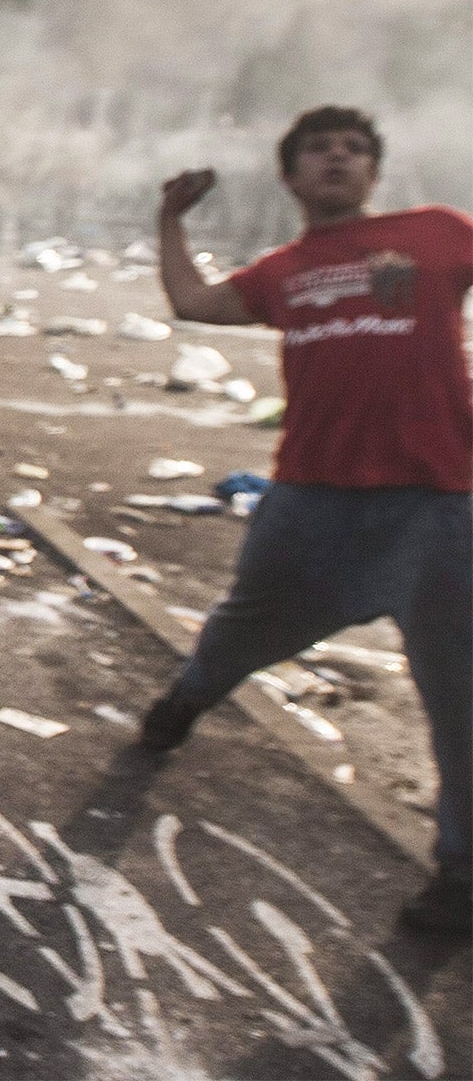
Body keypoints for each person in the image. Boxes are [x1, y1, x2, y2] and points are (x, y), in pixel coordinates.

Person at [142, 105, 471, 938]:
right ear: (290, 176)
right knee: (243, 630)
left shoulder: (437, 233)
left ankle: (460, 876)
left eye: (353, 149)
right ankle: (187, 699)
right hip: (313, 500)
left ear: (372, 172)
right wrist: (170, 219)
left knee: (460, 696)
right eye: (318, 149)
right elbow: (192, 302)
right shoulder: (285, 268)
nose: (337, 158)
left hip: (435, 504)